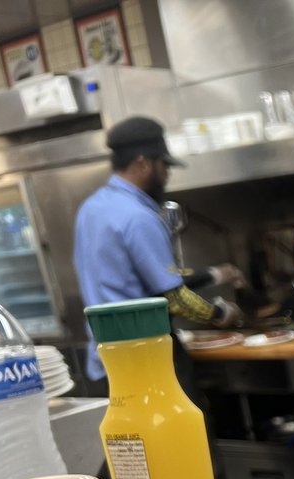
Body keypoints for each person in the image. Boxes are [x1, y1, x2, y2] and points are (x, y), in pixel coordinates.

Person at [74, 116, 246, 387]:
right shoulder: (139, 217)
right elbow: (174, 298)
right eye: (164, 165)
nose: (167, 174)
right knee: (184, 430)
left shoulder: (92, 208)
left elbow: (140, 276)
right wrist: (221, 314)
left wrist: (214, 274)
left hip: (107, 358)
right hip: (147, 358)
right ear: (143, 162)